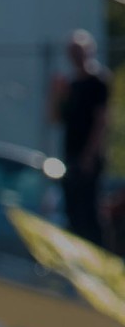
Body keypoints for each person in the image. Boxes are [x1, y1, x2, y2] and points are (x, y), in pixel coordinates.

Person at [48, 29, 112, 246]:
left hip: (88, 158)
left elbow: (101, 121)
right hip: (71, 153)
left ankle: (101, 256)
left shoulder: (98, 82)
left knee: (90, 212)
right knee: (72, 211)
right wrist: (56, 94)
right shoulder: (71, 85)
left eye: (79, 52)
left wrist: (89, 155)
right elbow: (55, 119)